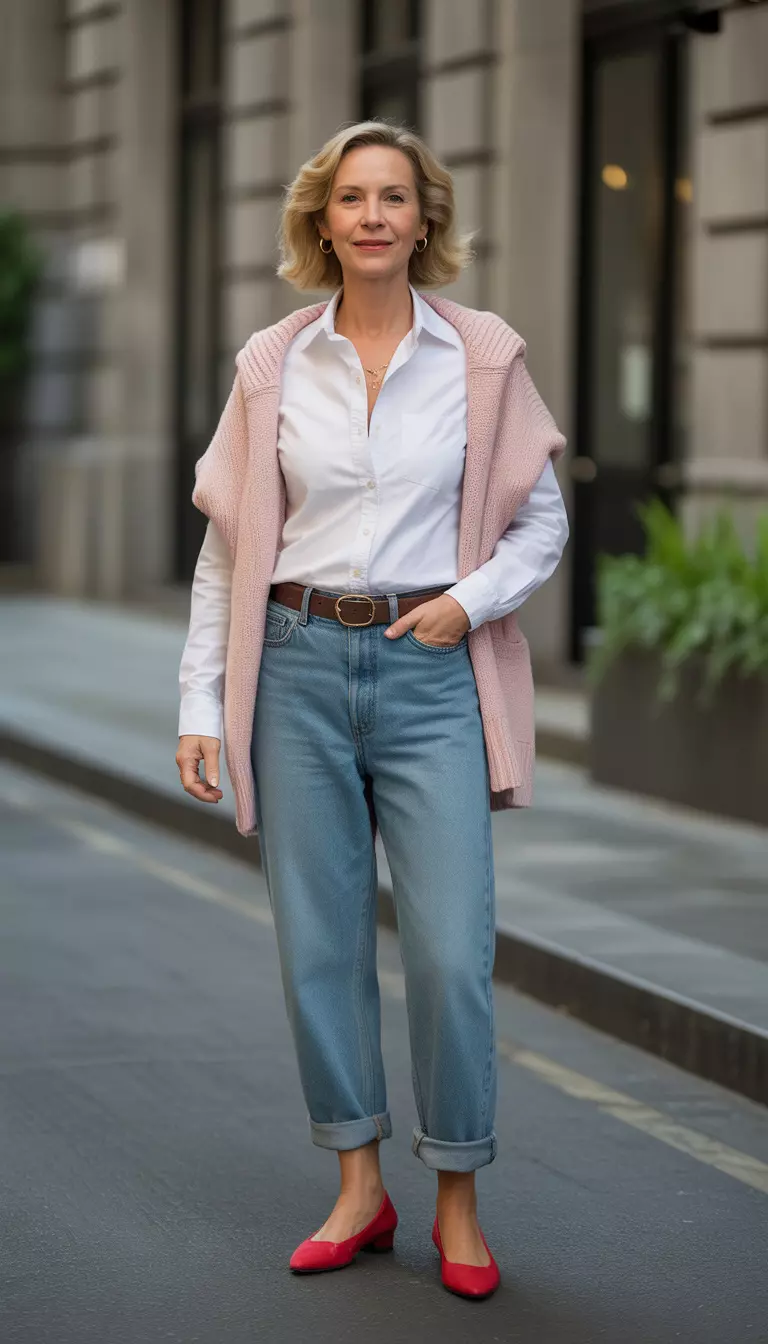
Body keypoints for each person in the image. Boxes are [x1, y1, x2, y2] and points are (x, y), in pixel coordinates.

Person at [176, 120, 568, 1301]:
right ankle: (359, 1185)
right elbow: (226, 552)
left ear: (425, 217)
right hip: (294, 665)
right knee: (320, 947)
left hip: (427, 668)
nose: (374, 217)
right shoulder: (273, 364)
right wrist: (201, 704)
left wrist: (465, 604)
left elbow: (541, 524)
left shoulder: (483, 357)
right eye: (352, 198)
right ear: (322, 220)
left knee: (450, 951)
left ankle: (457, 1197)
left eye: (395, 197)